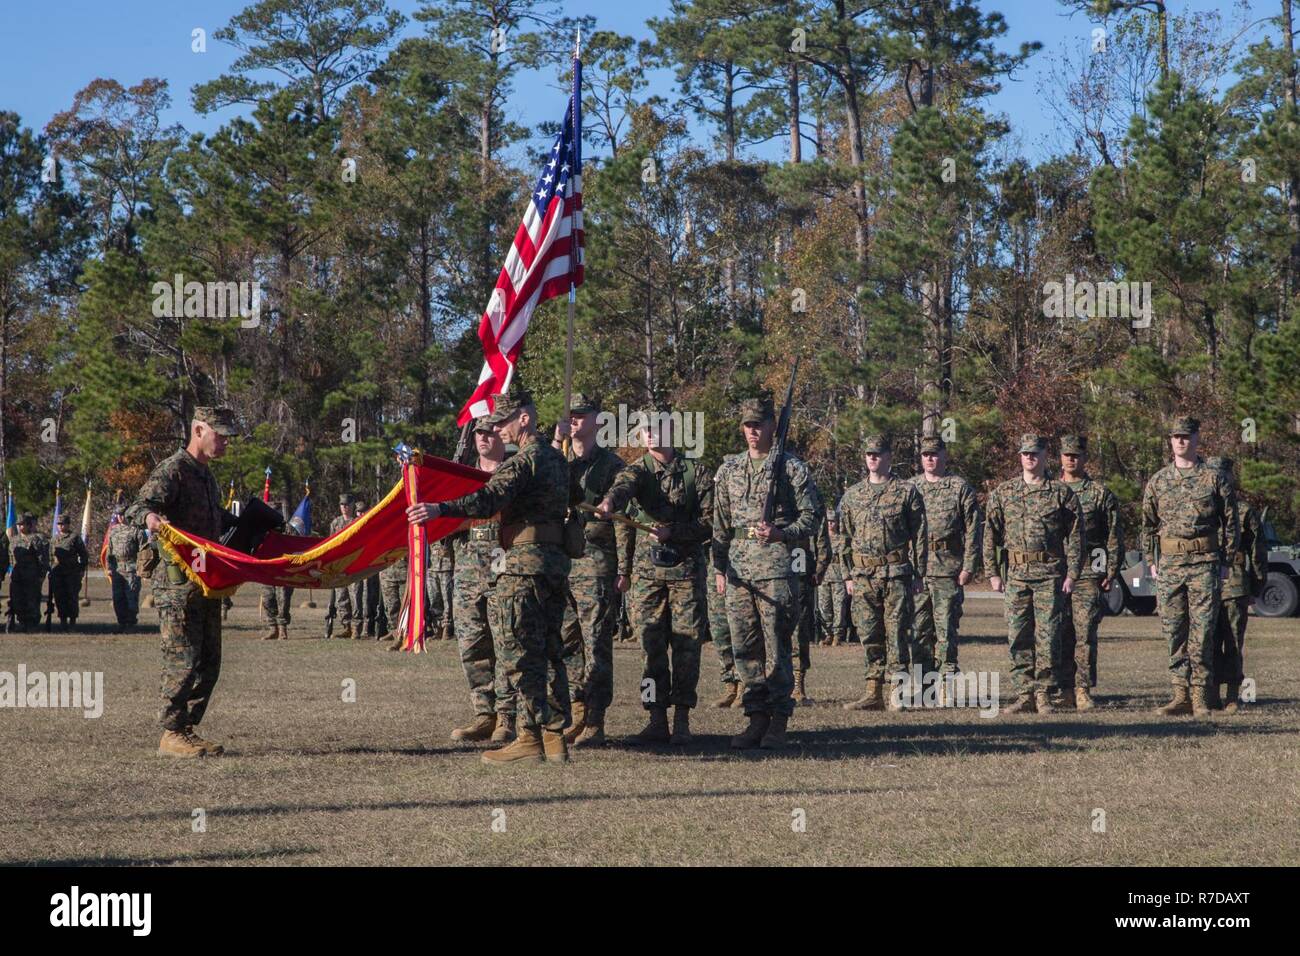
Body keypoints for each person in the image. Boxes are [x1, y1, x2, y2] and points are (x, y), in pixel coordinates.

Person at [408, 390, 572, 766]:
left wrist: (439, 508)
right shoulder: (557, 460)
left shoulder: (525, 460)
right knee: (549, 653)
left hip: (522, 567)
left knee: (519, 654)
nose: (500, 430)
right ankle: (554, 739)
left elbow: (488, 499)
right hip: (554, 565)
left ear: (525, 419)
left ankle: (530, 737)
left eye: (504, 422)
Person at [126, 406, 241, 757]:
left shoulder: (206, 476)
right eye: (219, 436)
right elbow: (136, 507)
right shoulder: (173, 469)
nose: (224, 443)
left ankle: (186, 729)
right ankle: (171, 732)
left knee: (209, 660)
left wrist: (251, 521)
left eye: (227, 438)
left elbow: (212, 520)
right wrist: (151, 518)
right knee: (182, 658)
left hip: (206, 581)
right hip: (177, 585)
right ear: (198, 430)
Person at [597, 412, 714, 745]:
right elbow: (624, 487)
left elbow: (711, 521)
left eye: (656, 428)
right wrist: (609, 501)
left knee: (687, 646)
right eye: (645, 429)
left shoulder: (697, 472)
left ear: (671, 430)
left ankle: (681, 719)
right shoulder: (638, 470)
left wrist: (674, 531)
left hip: (686, 573)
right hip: (648, 575)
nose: (649, 435)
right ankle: (655, 718)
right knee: (650, 646)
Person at [711, 397, 818, 749]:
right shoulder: (728, 470)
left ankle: (779, 719)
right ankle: (755, 717)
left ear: (773, 426)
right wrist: (719, 567)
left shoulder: (791, 468)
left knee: (777, 644)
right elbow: (721, 525)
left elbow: (811, 517)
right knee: (744, 646)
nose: (753, 431)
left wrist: (781, 533)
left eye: (759, 424)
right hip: (739, 569)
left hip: (775, 568)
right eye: (747, 425)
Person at [1142, 418, 1239, 718]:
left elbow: (1231, 523)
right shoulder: (1158, 481)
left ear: (1197, 438)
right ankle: (1179, 694)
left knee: (1203, 632)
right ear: (1170, 441)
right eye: (1176, 437)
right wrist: (1151, 562)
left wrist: (1225, 561)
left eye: (1187, 436)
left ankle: (1200, 697)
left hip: (1204, 564)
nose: (1181, 441)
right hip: (1170, 566)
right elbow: (1147, 525)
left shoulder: (1214, 479)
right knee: (1173, 631)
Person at [983, 434, 1084, 715]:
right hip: (1016, 574)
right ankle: (1024, 692)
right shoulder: (1004, 492)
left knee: (1049, 635)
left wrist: (1073, 573)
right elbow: (990, 535)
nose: (1030, 458)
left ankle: (1044, 693)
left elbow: (1076, 537)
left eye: (1035, 453)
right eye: (1025, 453)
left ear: (1044, 455)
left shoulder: (1061, 493)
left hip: (1049, 573)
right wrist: (992, 572)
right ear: (1020, 456)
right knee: (1018, 635)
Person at [553, 392, 630, 747]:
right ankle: (579, 708)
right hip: (562, 561)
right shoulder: (560, 460)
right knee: (567, 642)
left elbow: (623, 518)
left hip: (596, 560)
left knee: (596, 641)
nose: (575, 421)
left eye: (582, 415)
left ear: (598, 420)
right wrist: (556, 441)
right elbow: (543, 478)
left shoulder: (611, 466)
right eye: (571, 416)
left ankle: (596, 717)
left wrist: (624, 568)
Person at [838, 435, 928, 712]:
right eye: (869, 454)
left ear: (889, 457)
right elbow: (845, 537)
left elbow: (920, 535)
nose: (873, 458)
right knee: (868, 633)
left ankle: (896, 692)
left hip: (896, 574)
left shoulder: (906, 491)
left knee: (897, 632)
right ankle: (872, 690)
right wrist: (847, 575)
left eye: (878, 454)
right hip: (863, 575)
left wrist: (919, 573)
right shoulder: (853, 495)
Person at [445, 417, 518, 744]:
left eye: (491, 432)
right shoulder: (459, 479)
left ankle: (508, 715)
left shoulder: (515, 473)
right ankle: (483, 713)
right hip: (468, 573)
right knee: (472, 644)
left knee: (506, 642)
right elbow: (444, 523)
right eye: (480, 433)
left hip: (506, 569)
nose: (485, 439)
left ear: (503, 435)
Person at [910, 436, 981, 702]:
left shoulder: (959, 487)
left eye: (935, 454)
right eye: (926, 454)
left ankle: (946, 684)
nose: (930, 459)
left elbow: (974, 529)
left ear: (944, 455)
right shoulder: (911, 487)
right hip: (917, 569)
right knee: (918, 630)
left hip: (948, 568)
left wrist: (969, 566)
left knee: (946, 630)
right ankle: (924, 686)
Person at [1054, 435, 1122, 710]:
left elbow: (1113, 535)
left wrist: (1111, 569)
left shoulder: (1099, 493)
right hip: (1055, 571)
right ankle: (1061, 688)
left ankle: (1082, 689)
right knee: (1056, 631)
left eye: (1077, 455)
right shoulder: (1050, 489)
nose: (1072, 459)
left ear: (1085, 458)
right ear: (1060, 457)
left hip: (1087, 570)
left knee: (1085, 632)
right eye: (1067, 454)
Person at [1206, 456, 1265, 713]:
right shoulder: (1202, 509)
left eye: (1222, 475)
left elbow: (1257, 551)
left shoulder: (1244, 511)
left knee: (1231, 640)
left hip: (1235, 583)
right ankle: (1208, 693)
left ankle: (1231, 693)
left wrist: (1257, 585)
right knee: (1204, 641)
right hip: (1204, 583)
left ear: (1230, 478)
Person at [259, 501, 296, 641]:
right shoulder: (263, 530)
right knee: (268, 599)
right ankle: (272, 628)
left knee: (283, 600)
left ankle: (282, 629)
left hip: (284, 571)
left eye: (276, 512)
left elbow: (296, 547)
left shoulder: (288, 529)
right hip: (267, 570)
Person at [107, 508, 149, 631]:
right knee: (118, 597)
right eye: (118, 515)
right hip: (117, 569)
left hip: (131, 568)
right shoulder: (114, 531)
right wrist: (109, 567)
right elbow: (110, 550)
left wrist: (143, 568)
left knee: (131, 596)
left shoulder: (136, 530)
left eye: (123, 515)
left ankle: (131, 622)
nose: (120, 517)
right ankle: (121, 622)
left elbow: (144, 550)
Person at [9, 513, 49, 630]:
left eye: (23, 524)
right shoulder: (14, 540)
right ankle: (21, 621)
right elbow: (11, 557)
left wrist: (42, 574)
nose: (20, 527)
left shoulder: (35, 539)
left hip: (32, 575)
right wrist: (11, 570)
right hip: (18, 575)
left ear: (28, 525)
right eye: (19, 525)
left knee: (32, 599)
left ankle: (32, 622)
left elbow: (42, 558)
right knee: (17, 599)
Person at [816, 509, 850, 647]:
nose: (830, 524)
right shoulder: (821, 539)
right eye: (828, 521)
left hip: (839, 576)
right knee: (824, 606)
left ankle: (837, 635)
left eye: (833, 521)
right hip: (823, 576)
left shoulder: (842, 539)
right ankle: (827, 634)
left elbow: (846, 559)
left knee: (839, 607)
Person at [49, 513, 88, 629]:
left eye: (63, 524)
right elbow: (50, 555)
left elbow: (83, 555)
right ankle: (62, 620)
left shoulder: (74, 537)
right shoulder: (54, 539)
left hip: (71, 573)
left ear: (68, 524)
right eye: (59, 524)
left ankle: (72, 620)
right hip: (57, 573)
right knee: (59, 597)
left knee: (71, 597)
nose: (61, 526)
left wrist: (81, 569)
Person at [327, 494, 358, 639]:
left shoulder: (357, 521)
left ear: (353, 505)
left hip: (353, 565)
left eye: (346, 504)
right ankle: (346, 626)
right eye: (342, 505)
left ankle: (356, 627)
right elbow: (330, 545)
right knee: (341, 597)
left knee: (355, 597)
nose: (344, 507)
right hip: (339, 566)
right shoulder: (335, 523)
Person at [426, 538, 455, 641]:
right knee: (434, 598)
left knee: (448, 599)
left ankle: (447, 628)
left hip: (446, 565)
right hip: (431, 566)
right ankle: (438, 628)